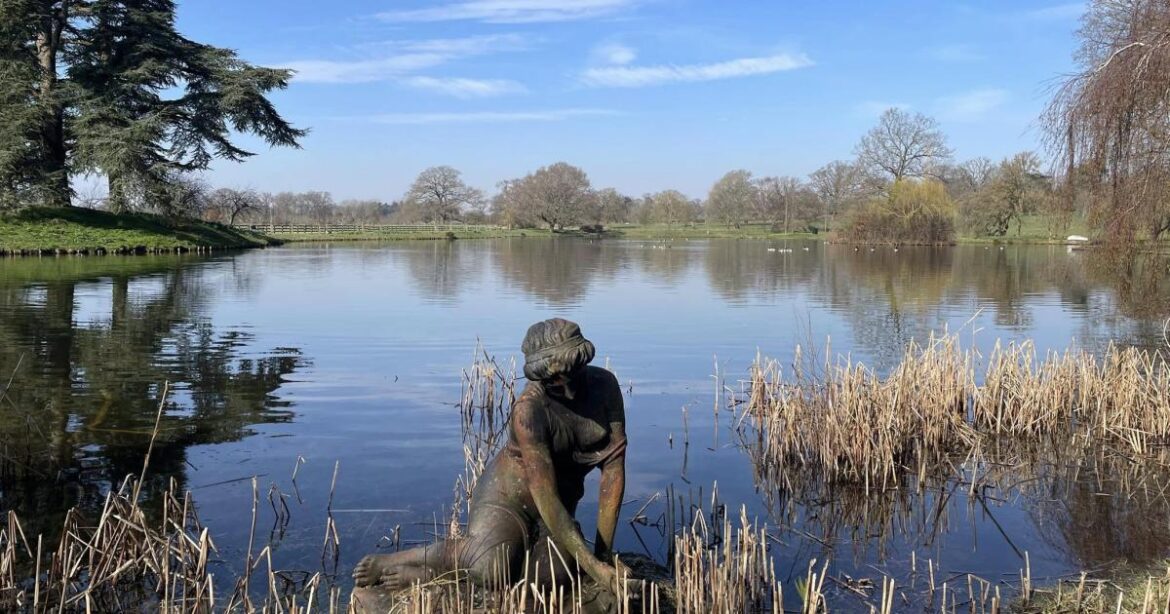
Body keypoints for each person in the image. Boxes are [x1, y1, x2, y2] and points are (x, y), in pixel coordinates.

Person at [353, 318, 627, 593]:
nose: (568, 390)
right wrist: (595, 569)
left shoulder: (606, 387)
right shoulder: (528, 411)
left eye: (574, 374)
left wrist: (603, 558)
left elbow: (613, 471)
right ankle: (413, 566)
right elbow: (544, 493)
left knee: (555, 579)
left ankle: (514, 560)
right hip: (507, 498)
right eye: (553, 382)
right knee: (490, 571)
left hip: (560, 503)